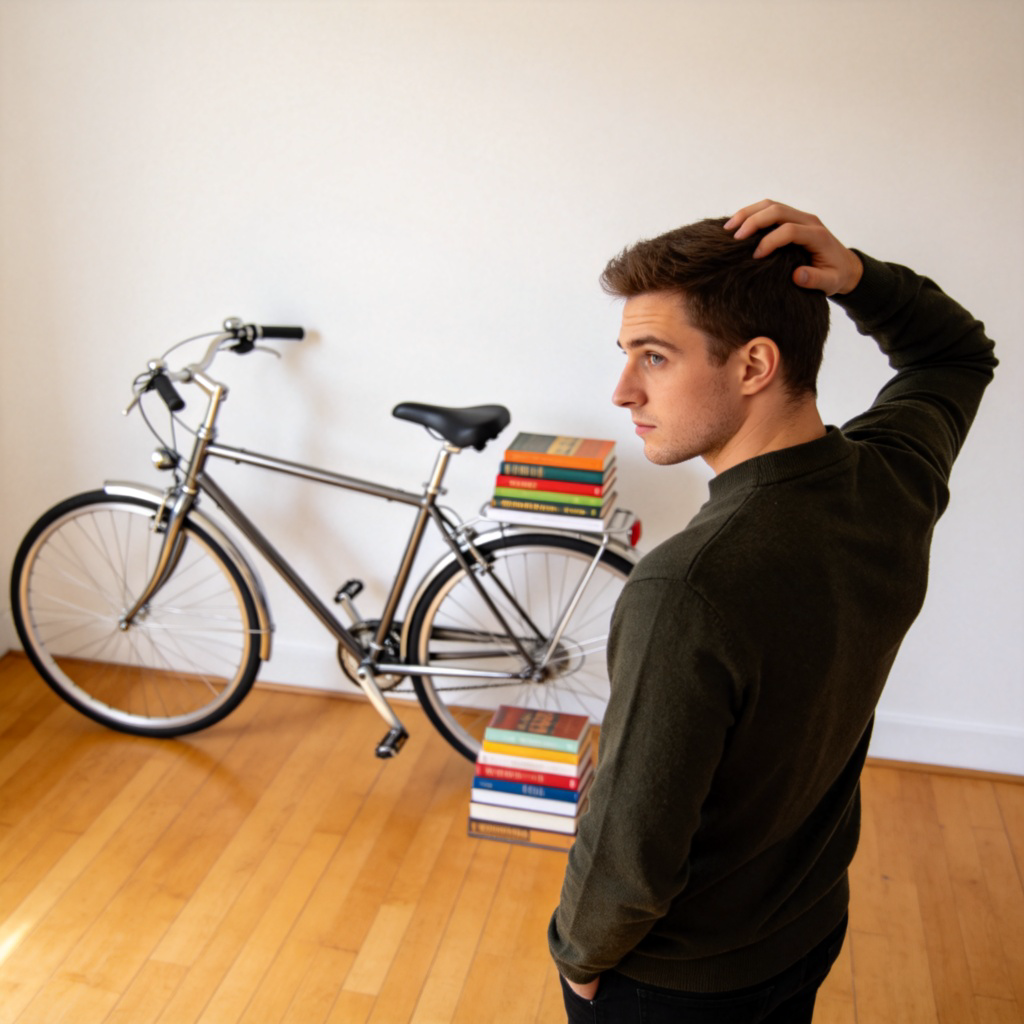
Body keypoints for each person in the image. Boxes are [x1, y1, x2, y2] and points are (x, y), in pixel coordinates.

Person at [548, 200, 997, 1023]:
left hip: (677, 984)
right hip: (805, 927)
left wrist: (577, 953)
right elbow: (955, 353)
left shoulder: (688, 585)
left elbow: (630, 839)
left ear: (755, 364)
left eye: (655, 357)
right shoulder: (892, 478)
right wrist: (858, 280)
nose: (622, 391)